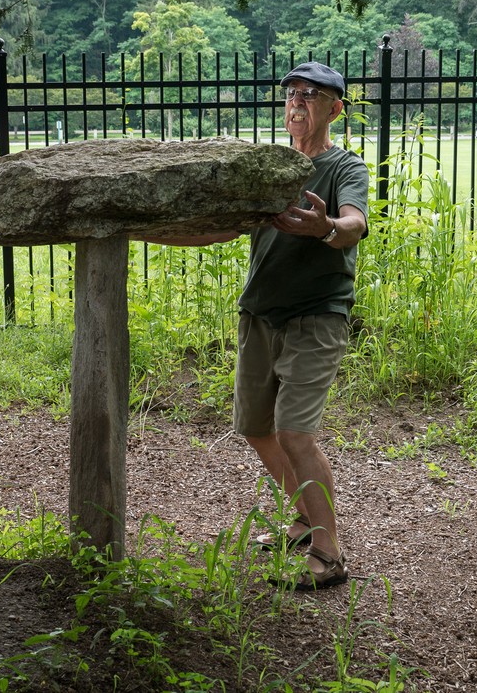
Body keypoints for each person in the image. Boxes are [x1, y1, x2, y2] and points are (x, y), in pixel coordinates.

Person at [151, 61, 369, 590]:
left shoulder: (344, 166)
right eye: (292, 93)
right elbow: (219, 232)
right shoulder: (271, 168)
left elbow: (353, 226)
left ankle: (329, 552)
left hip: (316, 316)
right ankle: (299, 522)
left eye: (311, 95)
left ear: (335, 109)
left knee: (294, 431)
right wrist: (137, 233)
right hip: (259, 315)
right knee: (255, 427)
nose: (298, 102)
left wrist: (324, 228)